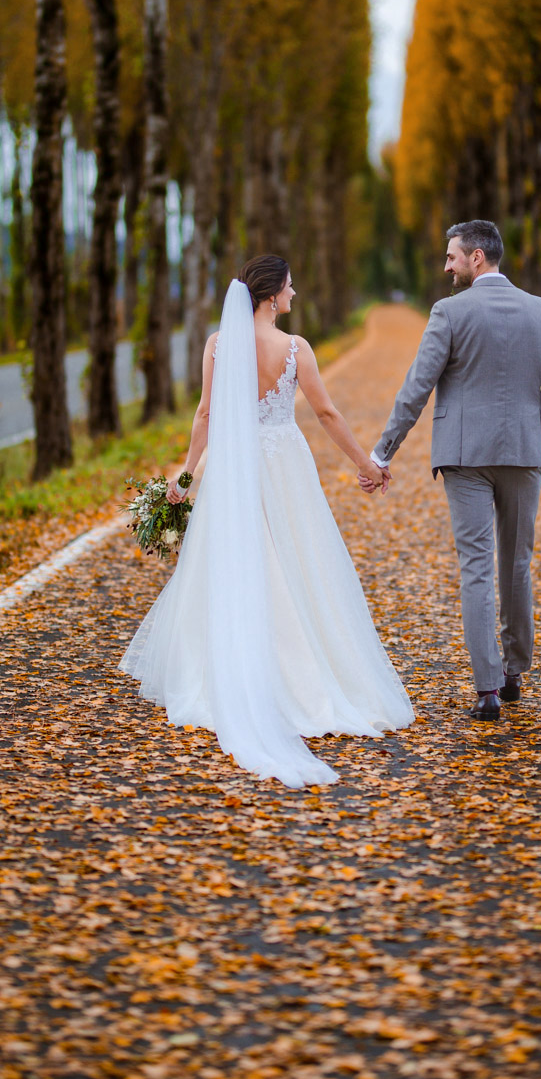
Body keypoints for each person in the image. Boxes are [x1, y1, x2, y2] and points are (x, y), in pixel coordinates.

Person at [119, 255, 414, 786]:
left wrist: (186, 476)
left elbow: (206, 414)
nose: (294, 293)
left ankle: (229, 671)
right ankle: (299, 678)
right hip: (283, 464)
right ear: (273, 294)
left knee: (237, 562)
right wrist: (365, 465)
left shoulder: (218, 344)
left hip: (234, 463)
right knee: (295, 560)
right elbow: (326, 413)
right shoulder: (296, 348)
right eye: (290, 286)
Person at [364, 220, 541, 722]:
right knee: (517, 563)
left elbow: (417, 387)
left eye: (452, 256)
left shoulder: (449, 312)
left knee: (477, 566)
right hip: (523, 455)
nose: (446, 266)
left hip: (464, 456)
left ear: (477, 257)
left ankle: (488, 690)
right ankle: (514, 672)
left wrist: (383, 452)